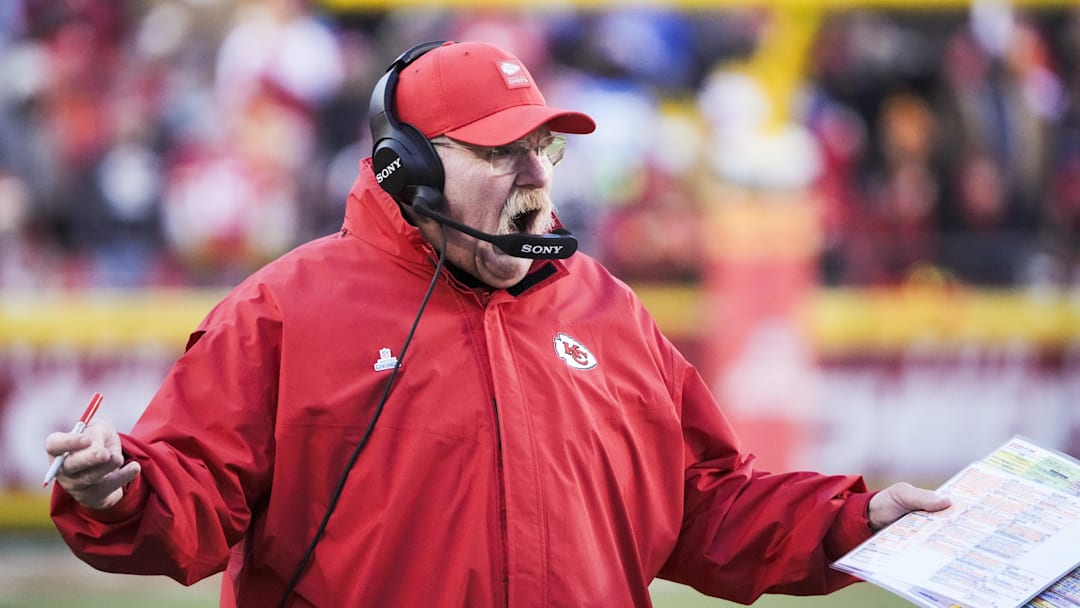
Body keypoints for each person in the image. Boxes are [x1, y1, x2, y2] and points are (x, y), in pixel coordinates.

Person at [45, 40, 950, 608]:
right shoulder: (282, 310)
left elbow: (705, 506)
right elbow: (188, 502)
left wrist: (859, 520)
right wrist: (120, 490)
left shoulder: (610, 312)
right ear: (409, 169)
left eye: (543, 147)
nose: (536, 174)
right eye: (500, 149)